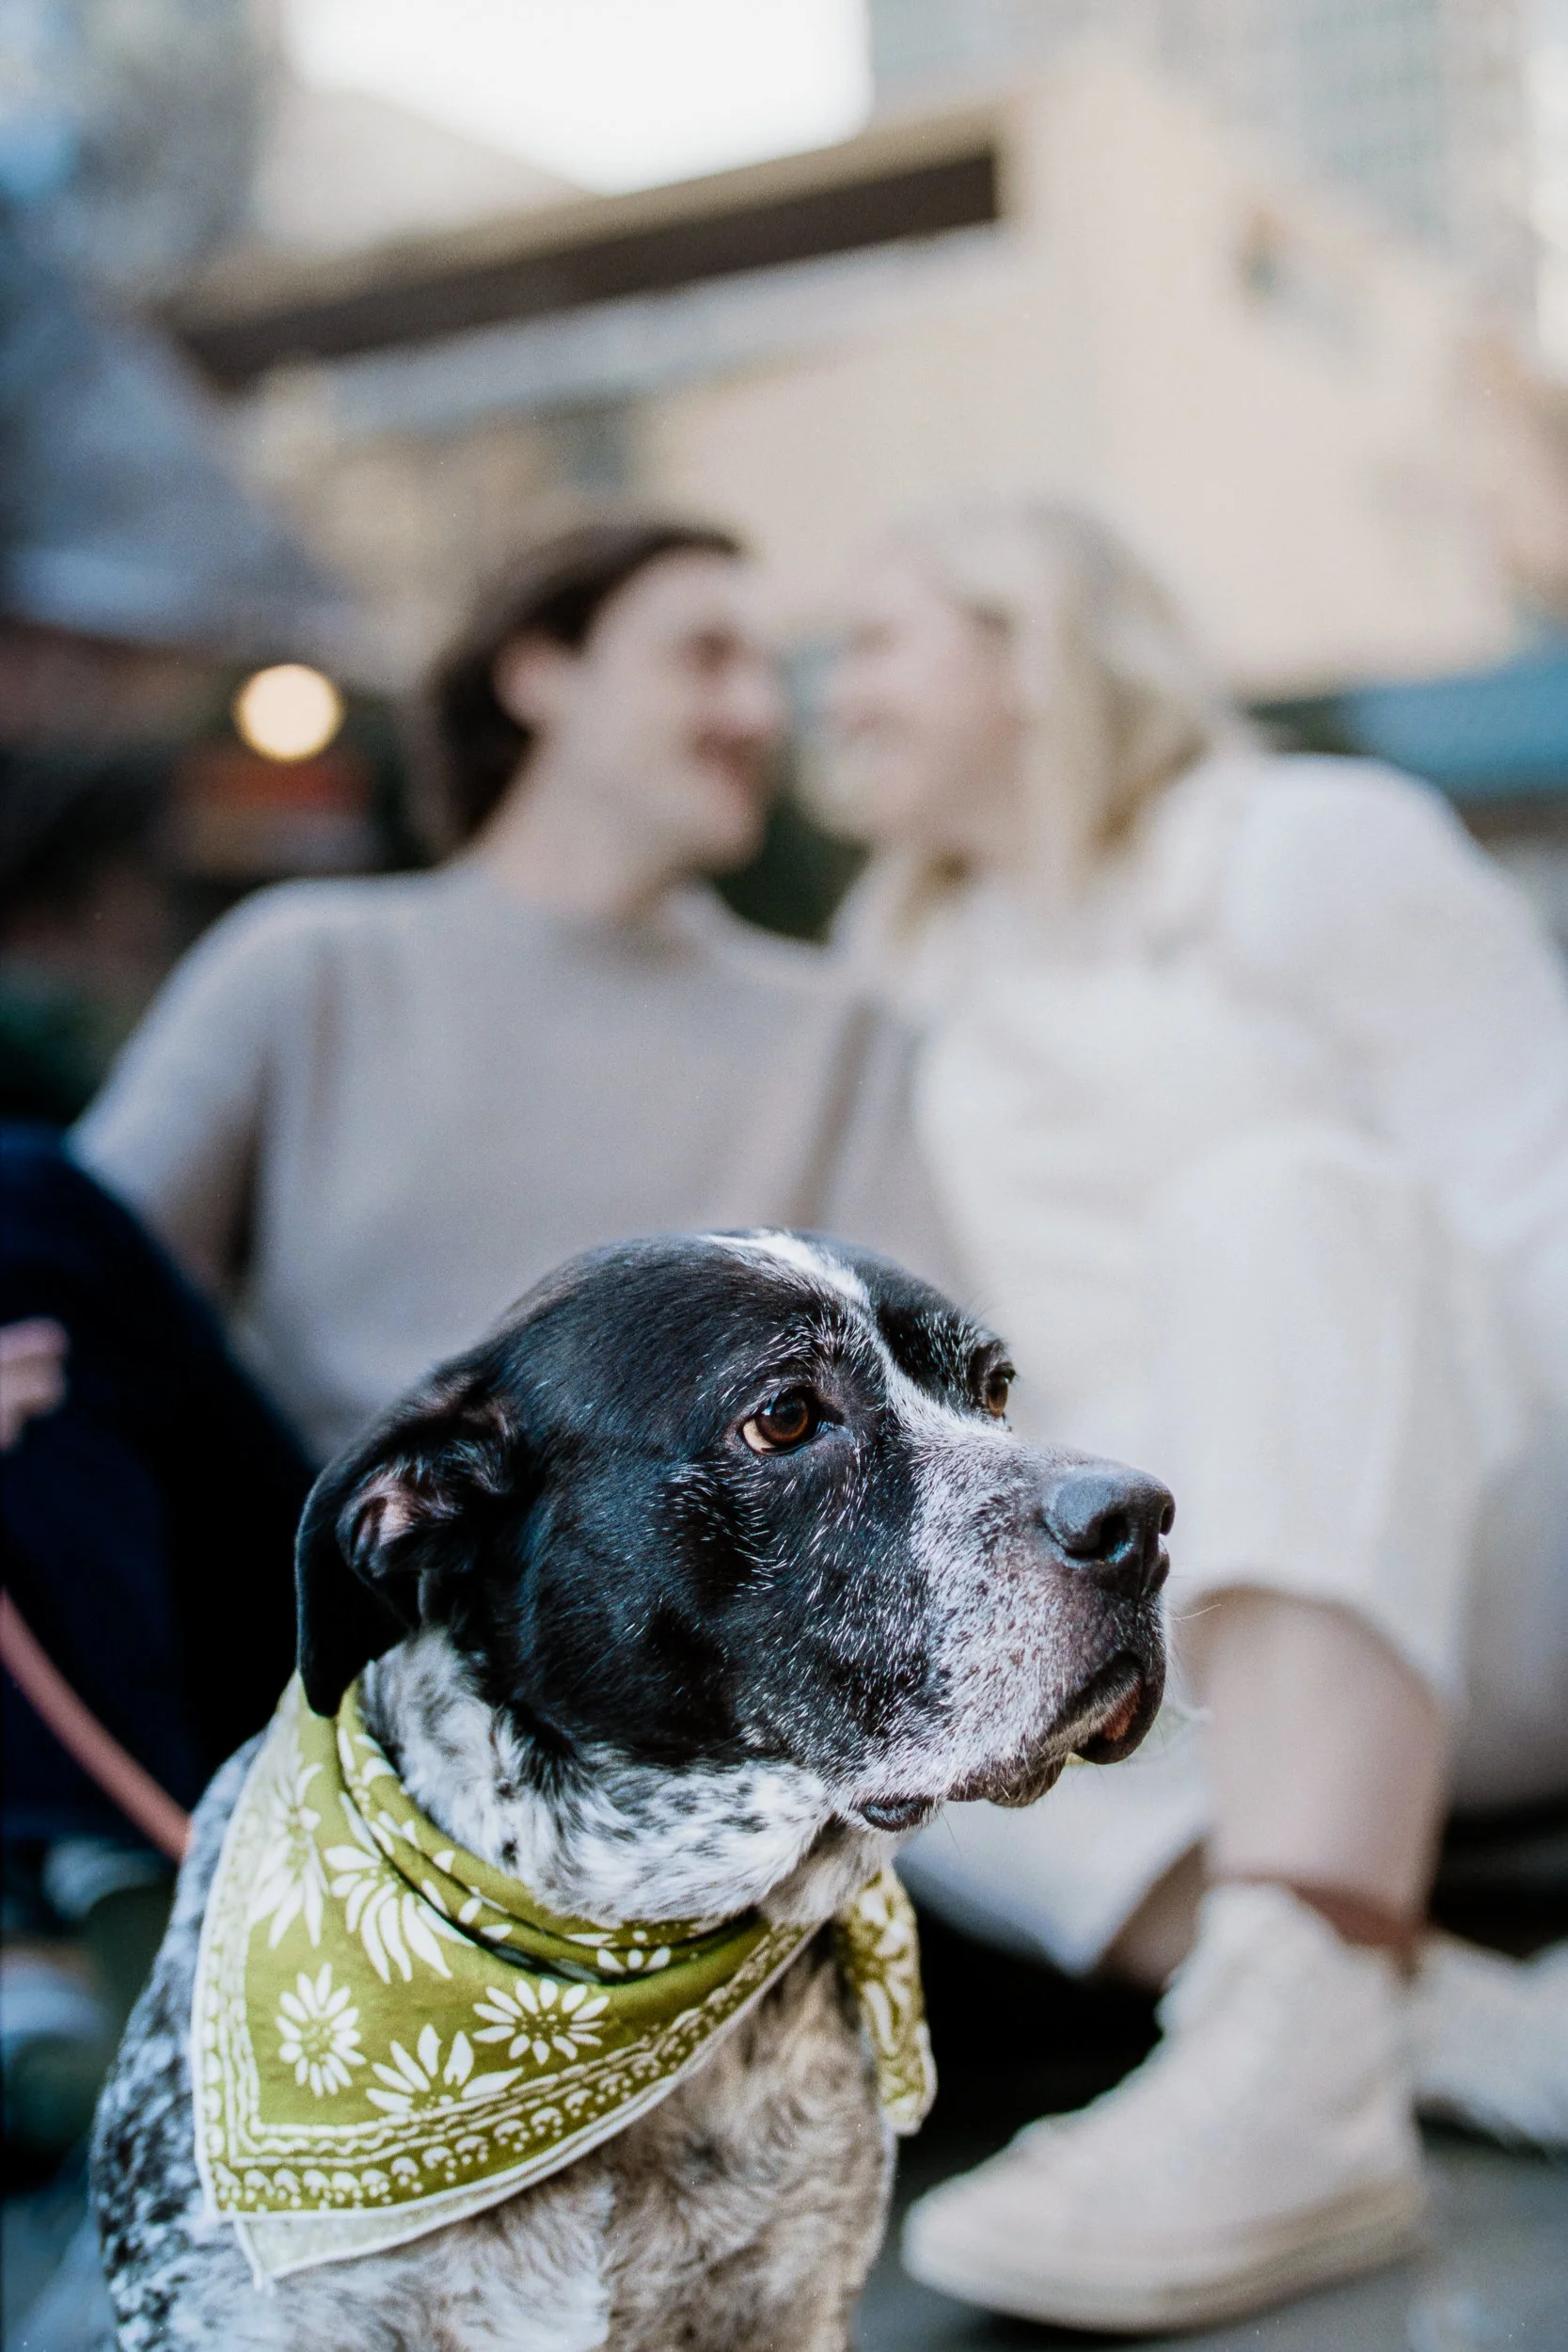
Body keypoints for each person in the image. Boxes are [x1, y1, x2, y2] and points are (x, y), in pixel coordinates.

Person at [822, 497, 1568, 2331]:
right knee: (845, 1646)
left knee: (1274, 1200)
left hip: (1477, 1555)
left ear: (1026, 649)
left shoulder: (1306, 843)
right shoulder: (900, 969)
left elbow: (1537, 1214)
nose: (838, 694)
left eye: (881, 641)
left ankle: (1302, 2030)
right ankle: (1391, 2020)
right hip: (1193, 1626)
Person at [71, 513, 950, 1466]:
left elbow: (927, 1385)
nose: (759, 714)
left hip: (685, 1549)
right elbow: (76, 1262)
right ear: (537, 674)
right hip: (319, 1528)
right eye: (704, 657)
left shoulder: (837, 1031)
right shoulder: (312, 966)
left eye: (766, 674)